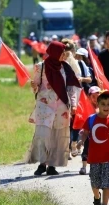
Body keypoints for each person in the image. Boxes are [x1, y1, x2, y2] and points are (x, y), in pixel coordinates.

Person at [28, 41, 81, 176]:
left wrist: (74, 104)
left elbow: (70, 88)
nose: (65, 55)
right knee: (44, 136)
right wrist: (33, 85)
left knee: (57, 137)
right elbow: (37, 86)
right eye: (62, 52)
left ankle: (52, 166)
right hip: (44, 107)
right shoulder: (40, 67)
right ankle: (41, 164)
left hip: (61, 108)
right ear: (55, 53)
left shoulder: (65, 67)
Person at [76, 90, 109, 205]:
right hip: (95, 156)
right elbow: (84, 133)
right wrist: (80, 142)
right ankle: (97, 197)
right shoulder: (91, 119)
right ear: (98, 105)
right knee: (94, 181)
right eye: (103, 104)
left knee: (107, 181)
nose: (106, 107)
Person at [79, 86, 100, 175]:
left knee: (98, 151)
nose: (95, 99)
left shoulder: (103, 106)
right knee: (86, 149)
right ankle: (84, 167)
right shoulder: (86, 106)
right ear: (89, 96)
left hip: (99, 133)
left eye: (97, 97)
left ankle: (95, 168)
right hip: (88, 132)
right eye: (93, 96)